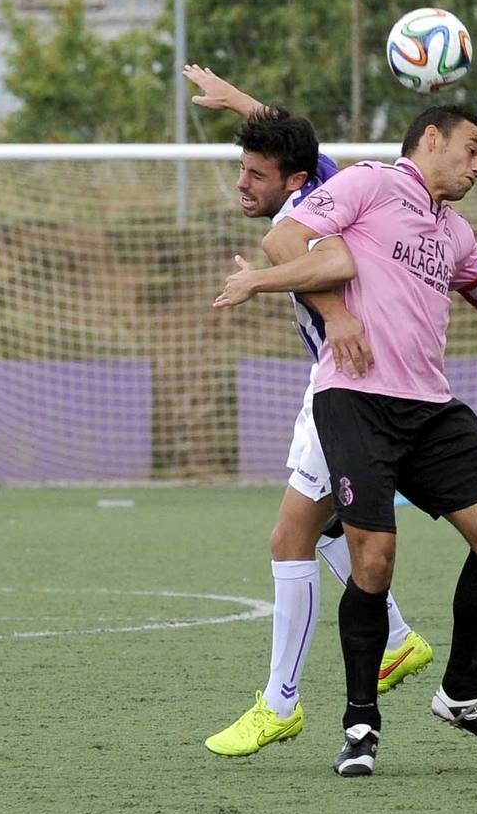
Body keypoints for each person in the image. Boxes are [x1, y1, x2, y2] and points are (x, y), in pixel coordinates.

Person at [213, 103, 477, 776]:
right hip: (353, 399)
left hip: (429, 406)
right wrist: (337, 317)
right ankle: (358, 727)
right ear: (432, 139)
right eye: (471, 151)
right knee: (371, 561)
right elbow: (283, 241)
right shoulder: (367, 184)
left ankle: (461, 691)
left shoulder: (455, 232)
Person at [184, 64, 434, 757]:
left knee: (287, 540)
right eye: (242, 169)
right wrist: (236, 101)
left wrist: (300, 301)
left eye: (254, 174)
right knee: (326, 532)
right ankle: (394, 639)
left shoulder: (302, 218)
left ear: (289, 182)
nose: (242, 183)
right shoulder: (318, 177)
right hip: (351, 382)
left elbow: (338, 266)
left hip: (350, 384)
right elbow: (299, 142)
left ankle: (279, 705)